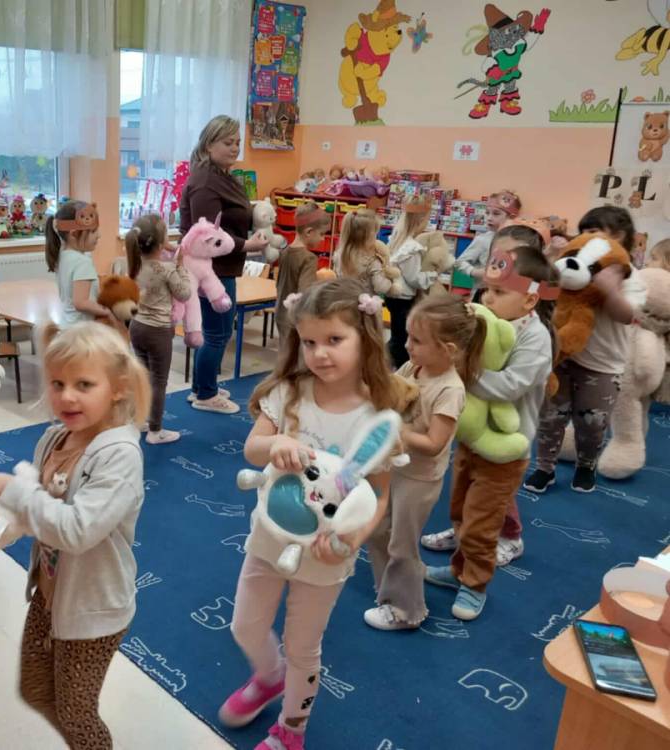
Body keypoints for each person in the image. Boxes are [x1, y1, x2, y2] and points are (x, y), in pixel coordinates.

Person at [218, 279, 394, 750]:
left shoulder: (375, 417)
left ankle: (291, 729)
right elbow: (252, 448)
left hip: (324, 555)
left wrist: (350, 541)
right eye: (310, 341)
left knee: (303, 646)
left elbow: (380, 495)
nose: (320, 353)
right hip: (269, 537)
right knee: (244, 626)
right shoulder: (289, 393)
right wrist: (275, 442)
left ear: (365, 337)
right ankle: (269, 676)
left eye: (334, 339)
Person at [0, 322, 149, 750]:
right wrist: (1, 522)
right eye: (57, 383)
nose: (67, 396)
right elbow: (36, 509)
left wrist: (12, 492)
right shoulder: (55, 438)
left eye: (83, 384)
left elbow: (76, 530)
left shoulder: (119, 455)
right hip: (51, 593)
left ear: (118, 388)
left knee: (76, 713)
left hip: (93, 607)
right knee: (35, 689)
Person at [425, 246, 559, 620]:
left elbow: (509, 386)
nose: (487, 298)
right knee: (460, 510)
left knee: (482, 523)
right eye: (487, 290)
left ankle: (475, 584)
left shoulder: (535, 337)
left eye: (499, 292)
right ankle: (459, 570)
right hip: (471, 438)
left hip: (505, 449)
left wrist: (461, 369)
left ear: (530, 300)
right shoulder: (488, 322)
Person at [365, 296, 485, 630]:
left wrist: (397, 429)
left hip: (419, 479)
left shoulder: (450, 390)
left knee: (402, 543)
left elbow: (434, 444)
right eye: (408, 337)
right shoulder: (412, 368)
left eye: (417, 341)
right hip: (393, 467)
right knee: (376, 528)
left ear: (448, 350)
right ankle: (389, 588)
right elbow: (393, 395)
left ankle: (406, 611)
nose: (407, 345)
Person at [525, 206, 638, 495]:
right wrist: (551, 259)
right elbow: (542, 292)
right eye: (584, 231)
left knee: (592, 423)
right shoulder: (572, 264)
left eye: (594, 231)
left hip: (603, 365)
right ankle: (545, 467)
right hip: (561, 356)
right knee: (550, 416)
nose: (586, 237)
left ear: (619, 236)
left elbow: (627, 315)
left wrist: (610, 289)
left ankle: (586, 465)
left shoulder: (630, 275)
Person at [180, 115, 270, 415]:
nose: (235, 148)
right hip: (212, 271)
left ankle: (201, 387)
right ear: (209, 145)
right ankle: (206, 394)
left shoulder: (219, 175)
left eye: (237, 143)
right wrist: (247, 245)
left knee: (214, 332)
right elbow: (207, 235)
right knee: (218, 334)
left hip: (222, 267)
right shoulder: (206, 181)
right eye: (228, 142)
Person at [126, 214, 191, 444]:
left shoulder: (133, 265)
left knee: (143, 377)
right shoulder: (167, 269)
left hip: (137, 327)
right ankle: (155, 430)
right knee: (158, 381)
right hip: (158, 331)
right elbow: (185, 293)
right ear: (161, 242)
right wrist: (180, 266)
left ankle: (140, 420)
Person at [385, 196, 442, 367]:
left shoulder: (397, 239)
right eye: (427, 219)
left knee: (397, 333)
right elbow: (414, 279)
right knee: (402, 338)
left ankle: (389, 361)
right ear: (420, 220)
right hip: (403, 299)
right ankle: (397, 366)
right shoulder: (411, 248)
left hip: (393, 295)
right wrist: (432, 275)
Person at [46, 199, 115, 328]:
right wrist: (108, 312)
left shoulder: (62, 255)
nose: (99, 235)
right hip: (81, 331)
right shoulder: (82, 262)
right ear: (73, 234)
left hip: (67, 326)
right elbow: (81, 303)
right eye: (93, 231)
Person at [275, 201, 328, 346]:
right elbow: (305, 294)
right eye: (322, 234)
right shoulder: (309, 258)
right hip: (296, 319)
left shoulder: (285, 252)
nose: (323, 239)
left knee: (285, 353)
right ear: (309, 232)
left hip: (281, 313)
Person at [454, 190, 521, 285]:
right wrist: (474, 272)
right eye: (487, 213)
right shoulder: (483, 239)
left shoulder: (520, 241)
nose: (489, 218)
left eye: (496, 214)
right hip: (483, 290)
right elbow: (459, 262)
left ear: (512, 218)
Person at [335, 209, 393, 297]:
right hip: (366, 303)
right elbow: (381, 287)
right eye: (375, 233)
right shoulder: (372, 260)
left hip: (344, 298)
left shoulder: (340, 254)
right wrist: (390, 280)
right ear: (368, 236)